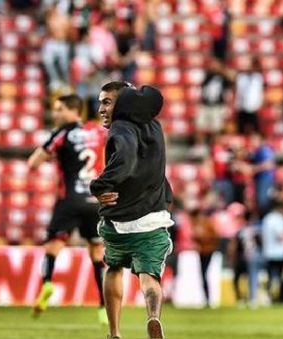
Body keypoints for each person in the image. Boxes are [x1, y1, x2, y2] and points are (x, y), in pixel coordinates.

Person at [90, 81, 173, 339]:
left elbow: (125, 160)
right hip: (153, 218)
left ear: (123, 104)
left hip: (119, 220)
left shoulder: (120, 128)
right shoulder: (154, 126)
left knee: (114, 267)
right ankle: (153, 317)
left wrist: (99, 185)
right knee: (149, 277)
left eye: (107, 102)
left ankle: (114, 333)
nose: (101, 108)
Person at [28, 94, 107, 325]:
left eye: (59, 109)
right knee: (97, 254)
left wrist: (53, 159)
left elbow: (33, 162)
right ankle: (103, 307)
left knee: (53, 247)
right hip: (95, 201)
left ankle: (48, 283)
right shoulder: (99, 132)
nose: (55, 114)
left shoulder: (62, 133)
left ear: (74, 110)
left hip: (69, 200)